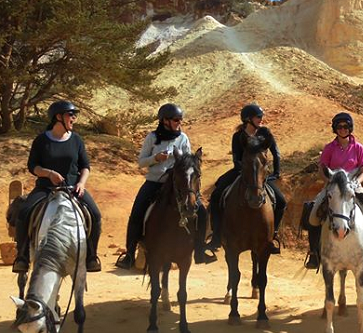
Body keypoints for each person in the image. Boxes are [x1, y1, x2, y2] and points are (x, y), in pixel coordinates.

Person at [115, 103, 216, 270]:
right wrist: (156, 158)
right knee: (136, 214)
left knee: (202, 213)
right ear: (165, 121)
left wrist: (181, 159)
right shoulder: (152, 138)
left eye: (180, 120)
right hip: (155, 182)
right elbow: (141, 162)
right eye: (176, 120)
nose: (179, 123)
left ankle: (200, 250)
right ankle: (130, 254)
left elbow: (188, 162)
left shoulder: (183, 138)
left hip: (178, 184)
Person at [12, 100, 102, 273]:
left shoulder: (76, 140)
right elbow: (33, 167)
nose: (74, 118)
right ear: (58, 117)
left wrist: (81, 183)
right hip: (45, 189)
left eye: (75, 114)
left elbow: (85, 166)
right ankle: (22, 257)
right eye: (71, 114)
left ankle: (91, 256)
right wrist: (48, 173)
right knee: (24, 214)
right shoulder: (41, 140)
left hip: (73, 189)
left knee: (96, 215)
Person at [305, 112, 363, 271]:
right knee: (312, 215)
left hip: (353, 184)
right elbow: (322, 171)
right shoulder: (329, 148)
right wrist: (329, 182)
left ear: (350, 128)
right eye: (339, 127)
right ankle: (314, 254)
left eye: (345, 126)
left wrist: (356, 182)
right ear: (335, 129)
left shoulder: (358, 148)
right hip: (333, 184)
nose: (342, 129)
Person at [207, 103, 286, 253]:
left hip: (261, 174)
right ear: (248, 119)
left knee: (281, 202)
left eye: (261, 116)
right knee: (216, 196)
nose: (261, 119)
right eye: (258, 117)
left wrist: (276, 173)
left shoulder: (265, 134)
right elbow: (236, 158)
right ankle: (216, 236)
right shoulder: (238, 136)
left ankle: (272, 236)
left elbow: (276, 153)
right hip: (240, 172)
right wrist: (243, 171)